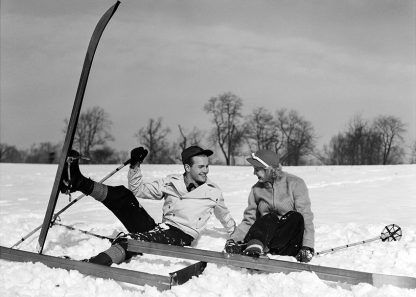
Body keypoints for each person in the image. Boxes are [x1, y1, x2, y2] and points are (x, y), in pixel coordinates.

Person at [60, 145, 236, 266]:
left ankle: (96, 263)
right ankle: (77, 181)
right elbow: (138, 189)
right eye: (201, 167)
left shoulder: (213, 191)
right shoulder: (171, 182)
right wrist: (135, 165)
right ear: (187, 167)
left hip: (180, 236)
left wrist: (238, 237)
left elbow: (226, 217)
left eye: (207, 166)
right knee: (123, 196)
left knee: (133, 240)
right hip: (161, 229)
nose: (206, 170)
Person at [224, 150, 315, 263]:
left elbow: (306, 217)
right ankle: (253, 246)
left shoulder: (295, 183)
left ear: (269, 169)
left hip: (288, 241)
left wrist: (308, 246)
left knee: (296, 216)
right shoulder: (256, 190)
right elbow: (249, 220)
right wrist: (233, 239)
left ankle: (258, 246)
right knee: (270, 217)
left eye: (257, 169)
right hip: (264, 239)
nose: (254, 173)